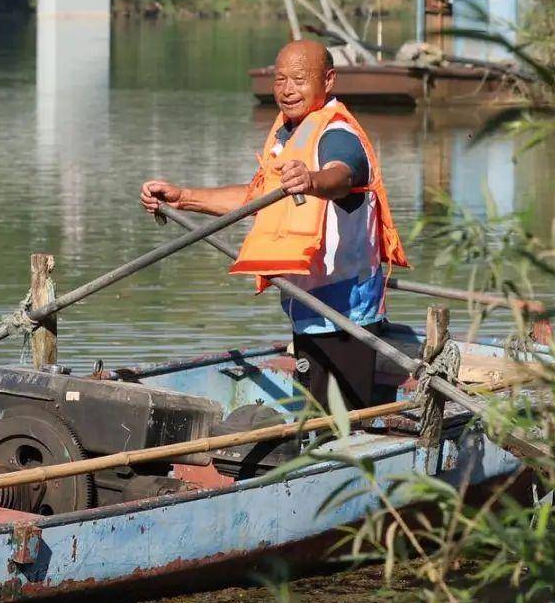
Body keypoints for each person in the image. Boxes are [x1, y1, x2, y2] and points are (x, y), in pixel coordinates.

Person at [140, 39, 409, 415]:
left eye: (299, 79)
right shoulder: (287, 135)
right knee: (317, 417)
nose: (287, 89)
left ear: (328, 80)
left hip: (345, 313)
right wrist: (182, 197)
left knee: (344, 424)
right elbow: (256, 199)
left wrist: (312, 180)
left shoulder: (338, 135)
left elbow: (341, 176)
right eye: (280, 79)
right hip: (309, 308)